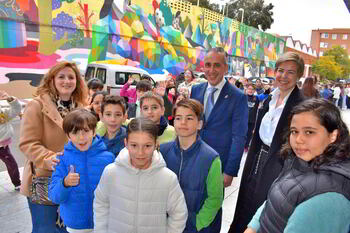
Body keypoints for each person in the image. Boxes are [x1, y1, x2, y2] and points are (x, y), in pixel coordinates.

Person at [244, 99, 350, 233]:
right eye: (294, 131)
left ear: (333, 135)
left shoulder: (328, 197)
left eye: (309, 132)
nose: (298, 140)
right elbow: (276, 201)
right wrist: (253, 227)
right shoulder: (300, 161)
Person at [229, 52, 305, 233]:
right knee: (246, 202)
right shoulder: (269, 98)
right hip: (257, 158)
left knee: (265, 208)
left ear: (299, 75)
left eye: (290, 72)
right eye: (280, 70)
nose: (283, 76)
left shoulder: (302, 104)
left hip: (279, 163)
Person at [19, 61, 87, 233]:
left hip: (73, 181)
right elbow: (28, 142)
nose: (66, 81)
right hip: (44, 179)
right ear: (52, 80)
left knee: (68, 228)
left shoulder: (81, 108)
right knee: (46, 229)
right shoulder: (36, 106)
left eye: (71, 77)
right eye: (61, 77)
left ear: (77, 82)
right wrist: (48, 158)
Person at [94, 118, 188, 233]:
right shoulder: (111, 173)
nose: (140, 153)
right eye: (134, 145)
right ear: (126, 143)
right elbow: (101, 204)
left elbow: (179, 213)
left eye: (147, 146)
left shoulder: (168, 178)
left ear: (156, 144)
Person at [160, 99, 223, 233]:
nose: (183, 122)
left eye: (189, 118)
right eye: (178, 118)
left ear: (199, 124)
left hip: (195, 226)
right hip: (167, 223)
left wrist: (197, 223)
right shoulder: (163, 151)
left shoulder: (211, 158)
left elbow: (215, 199)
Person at [49, 109, 114, 233]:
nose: (81, 137)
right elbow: (54, 196)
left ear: (94, 131)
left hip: (103, 221)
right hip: (75, 225)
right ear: (68, 135)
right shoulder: (62, 159)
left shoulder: (108, 158)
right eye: (75, 132)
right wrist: (65, 183)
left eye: (86, 131)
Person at [191, 47, 249, 187]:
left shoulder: (238, 97)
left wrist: (230, 171)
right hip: (193, 159)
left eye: (217, 65)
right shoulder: (196, 90)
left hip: (218, 164)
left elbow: (239, 137)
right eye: (208, 65)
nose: (211, 70)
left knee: (213, 206)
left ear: (225, 68)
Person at [0, 91, 21, 190]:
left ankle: (17, 183)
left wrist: (11, 100)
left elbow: (16, 110)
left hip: (2, 146)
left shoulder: (3, 113)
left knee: (12, 164)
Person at [245, 84, 259, 152]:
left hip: (252, 120)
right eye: (249, 89)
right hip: (243, 119)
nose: (250, 90)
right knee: (242, 133)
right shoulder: (243, 97)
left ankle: (246, 146)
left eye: (252, 89)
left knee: (249, 134)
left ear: (254, 91)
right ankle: (241, 145)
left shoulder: (256, 98)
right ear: (246, 89)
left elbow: (265, 95)